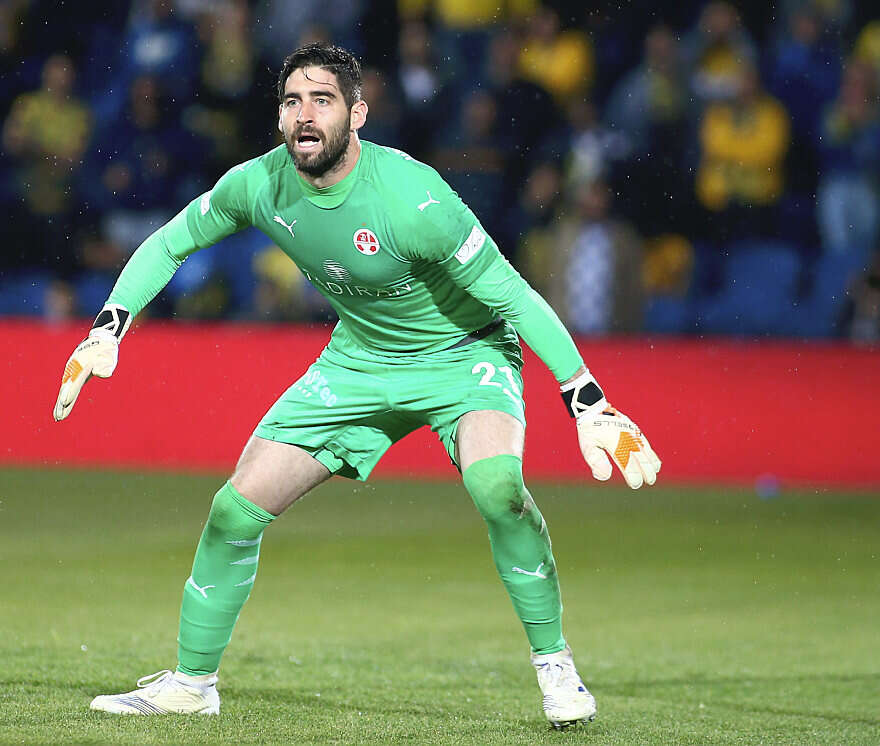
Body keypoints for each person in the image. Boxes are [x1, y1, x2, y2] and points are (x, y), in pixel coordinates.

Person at [52, 43, 661, 730]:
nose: (304, 115)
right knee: (233, 511)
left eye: (322, 100)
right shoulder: (259, 184)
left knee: (498, 489)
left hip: (463, 354)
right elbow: (171, 242)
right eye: (291, 101)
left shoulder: (415, 198)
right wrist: (108, 328)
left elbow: (513, 296)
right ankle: (192, 685)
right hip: (359, 360)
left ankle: (555, 666)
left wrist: (586, 398)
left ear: (358, 114)